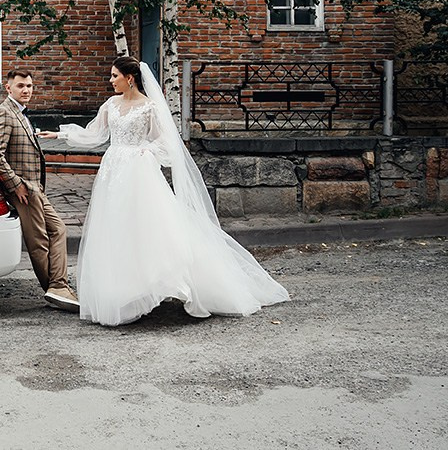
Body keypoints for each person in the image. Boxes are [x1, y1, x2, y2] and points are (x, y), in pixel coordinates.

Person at [39, 56, 289, 326]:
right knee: (117, 230)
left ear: (129, 78)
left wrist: (149, 151)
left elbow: (167, 143)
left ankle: (161, 283)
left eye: (114, 76)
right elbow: (94, 134)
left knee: (147, 228)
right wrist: (60, 135)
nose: (110, 81)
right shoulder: (110, 105)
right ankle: (125, 293)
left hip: (139, 172)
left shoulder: (149, 108)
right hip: (113, 172)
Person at [0, 69, 79, 311]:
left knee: (58, 229)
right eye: (20, 86)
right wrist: (15, 185)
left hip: (36, 188)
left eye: (29, 86)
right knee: (38, 241)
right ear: (9, 88)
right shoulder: (3, 113)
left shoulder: (21, 113)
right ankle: (56, 288)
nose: (26, 90)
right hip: (24, 189)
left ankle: (58, 285)